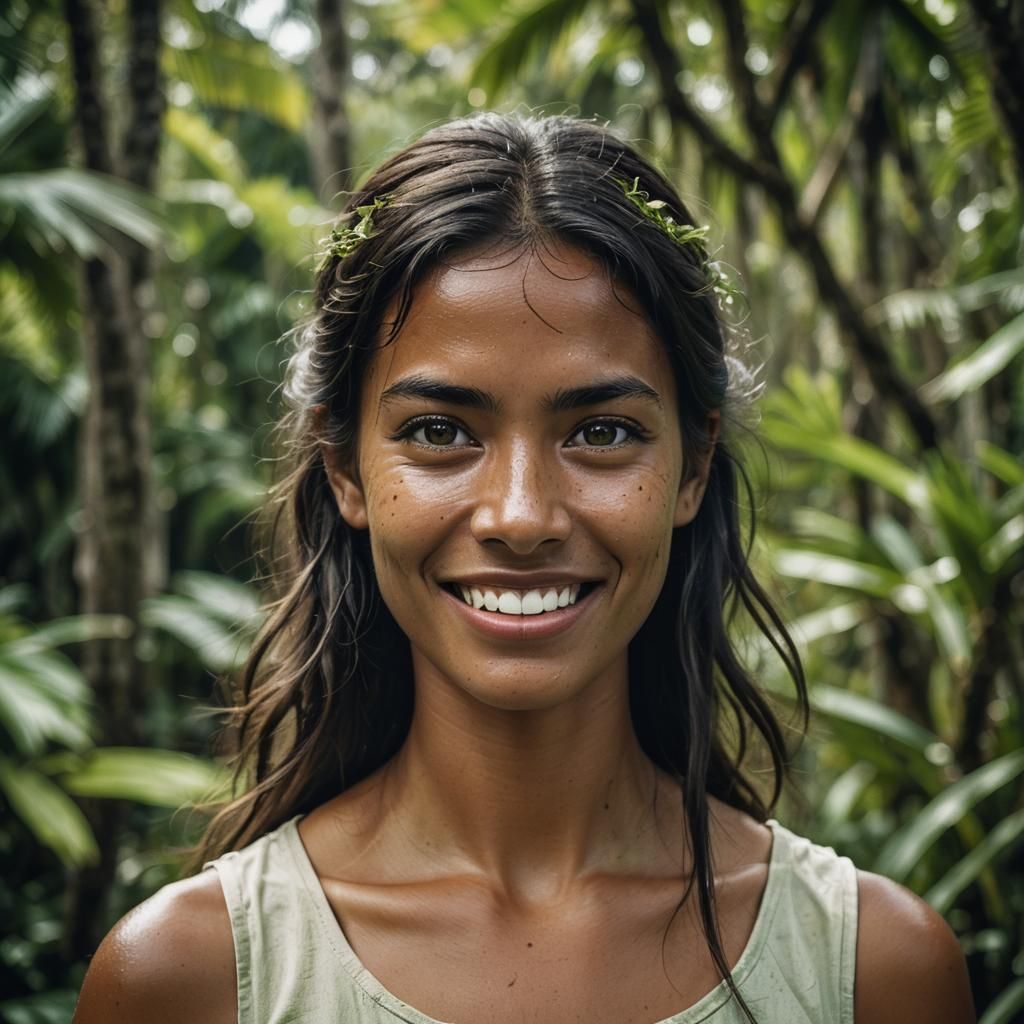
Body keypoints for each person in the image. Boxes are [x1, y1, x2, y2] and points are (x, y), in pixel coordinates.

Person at [73, 113, 975, 1024]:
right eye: (439, 432)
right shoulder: (187, 981)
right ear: (345, 467)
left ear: (693, 467)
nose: (521, 516)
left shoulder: (874, 973)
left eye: (602, 432)